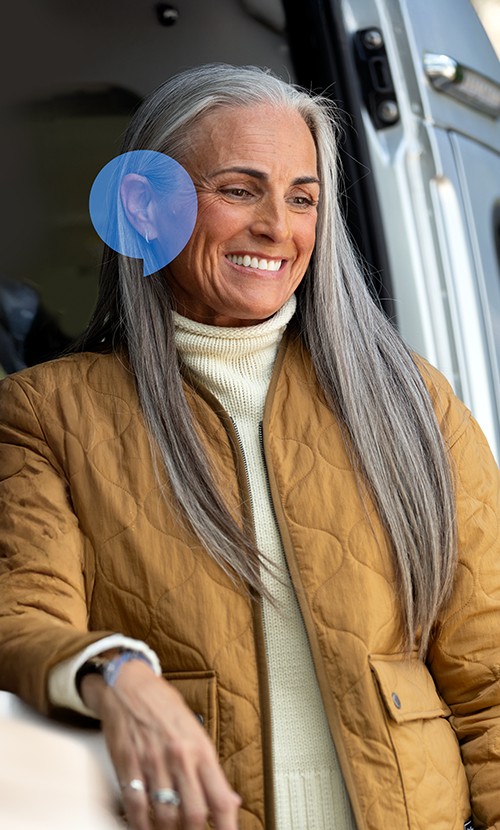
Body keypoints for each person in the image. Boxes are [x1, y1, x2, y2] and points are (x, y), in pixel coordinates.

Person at [0, 63, 499, 830]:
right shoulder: (44, 412)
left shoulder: (413, 400)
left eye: (304, 198)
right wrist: (116, 673)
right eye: (239, 190)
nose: (278, 226)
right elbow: (24, 612)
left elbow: (491, 675)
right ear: (142, 204)